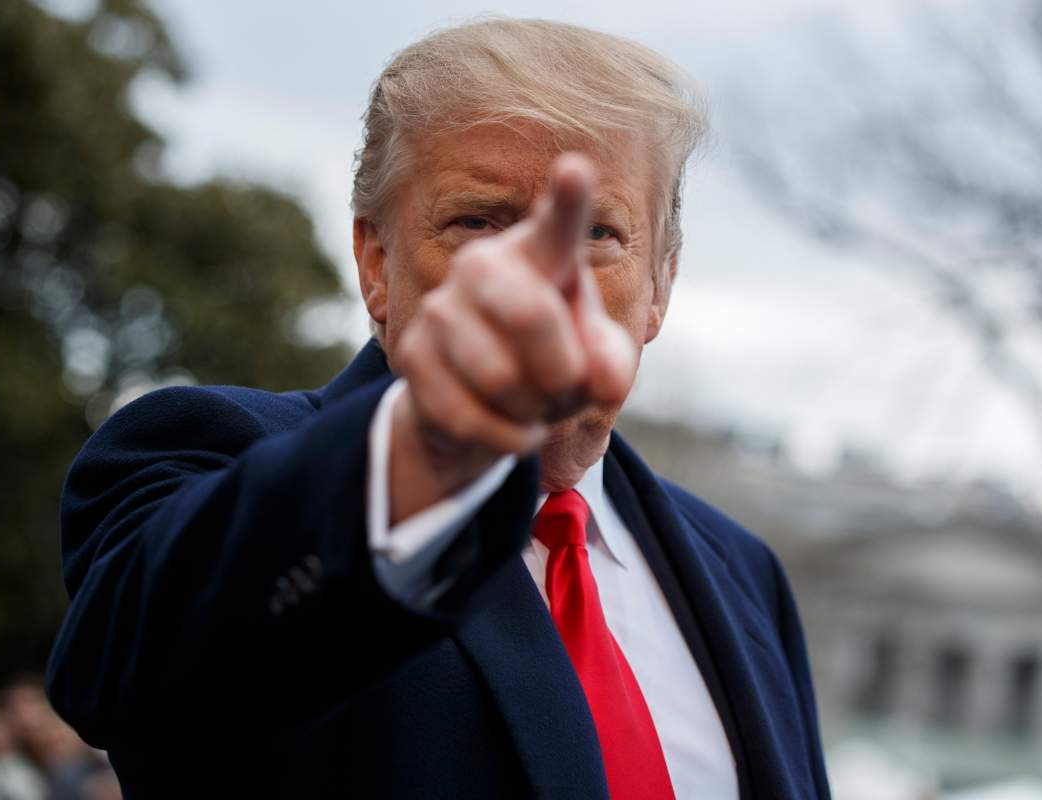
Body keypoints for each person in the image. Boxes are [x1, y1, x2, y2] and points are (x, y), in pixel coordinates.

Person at [45, 18, 831, 800]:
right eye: (478, 222)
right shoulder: (207, 455)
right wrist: (431, 449)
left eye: (597, 232)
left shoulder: (743, 573)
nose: (539, 276)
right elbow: (126, 677)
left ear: (659, 285)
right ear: (376, 262)